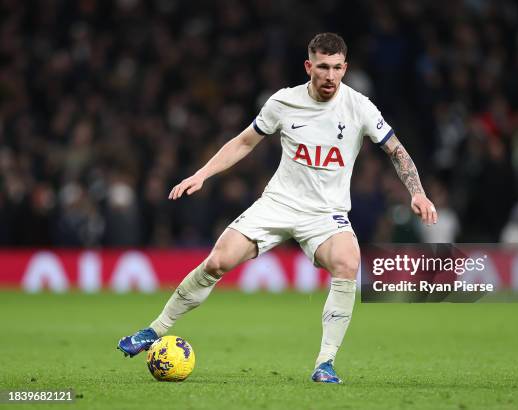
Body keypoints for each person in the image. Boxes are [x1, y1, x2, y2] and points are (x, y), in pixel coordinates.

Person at [118, 32, 437, 384]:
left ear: (345, 68)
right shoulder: (283, 102)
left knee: (348, 262)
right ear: (308, 66)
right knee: (218, 261)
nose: (329, 76)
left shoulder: (359, 107)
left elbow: (396, 150)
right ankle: (154, 330)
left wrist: (417, 192)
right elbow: (244, 142)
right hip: (278, 203)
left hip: (325, 214)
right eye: (322, 67)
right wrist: (203, 174)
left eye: (336, 68)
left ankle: (325, 363)